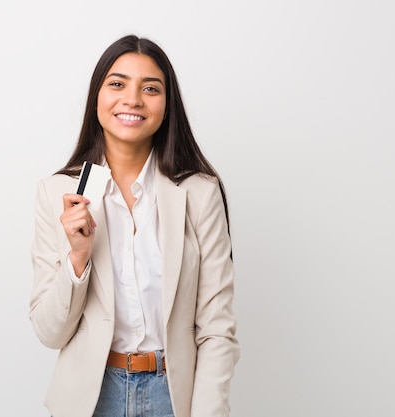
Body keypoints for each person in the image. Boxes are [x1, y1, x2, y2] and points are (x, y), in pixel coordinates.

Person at [29, 34, 240, 417]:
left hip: (174, 396)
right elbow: (50, 332)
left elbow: (217, 328)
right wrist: (77, 259)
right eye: (117, 84)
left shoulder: (199, 192)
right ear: (98, 96)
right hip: (92, 397)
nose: (133, 99)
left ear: (167, 104)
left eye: (151, 88)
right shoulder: (56, 192)